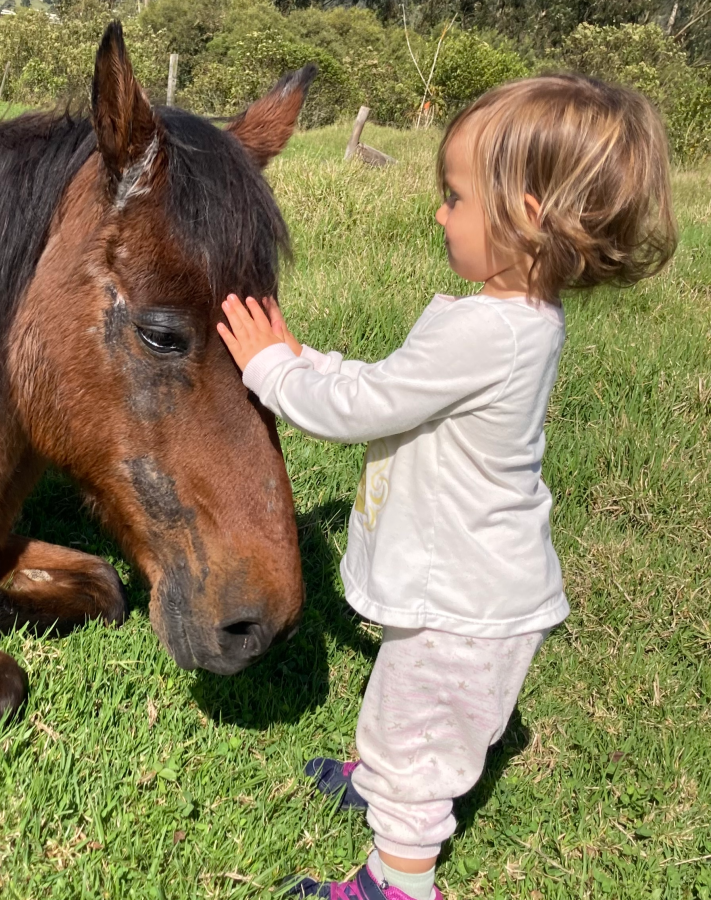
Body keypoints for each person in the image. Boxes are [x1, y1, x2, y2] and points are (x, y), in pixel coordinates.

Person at [217, 74, 677, 900]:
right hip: (481, 587)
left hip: (462, 602)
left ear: (527, 216)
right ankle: (390, 769)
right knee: (413, 715)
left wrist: (270, 370)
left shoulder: (484, 331)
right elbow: (397, 387)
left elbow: (359, 410)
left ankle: (397, 882)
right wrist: (306, 359)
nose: (438, 213)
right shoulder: (519, 321)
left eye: (456, 197)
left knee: (418, 760)